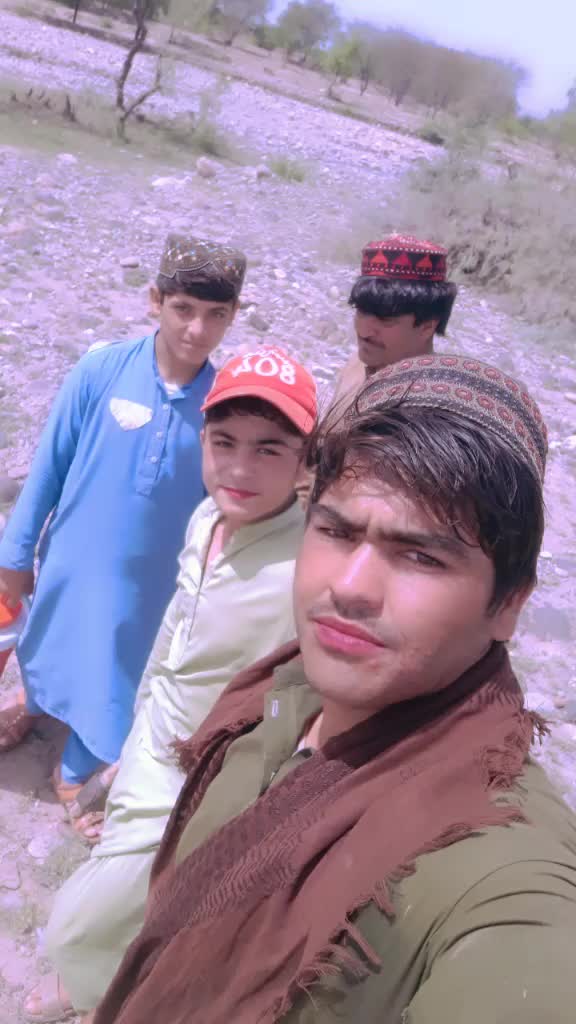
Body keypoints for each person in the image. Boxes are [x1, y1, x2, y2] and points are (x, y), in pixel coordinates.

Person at [92, 354, 576, 1024]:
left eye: (421, 555)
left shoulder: (500, 868)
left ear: (509, 603)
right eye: (337, 531)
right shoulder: (286, 687)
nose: (349, 587)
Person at [23, 347, 318, 1024]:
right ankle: (102, 987)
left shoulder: (306, 568)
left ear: (305, 461)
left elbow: (300, 700)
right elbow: (170, 641)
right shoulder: (206, 519)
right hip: (148, 742)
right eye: (225, 442)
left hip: (203, 781)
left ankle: (98, 993)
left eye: (269, 449)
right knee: (135, 902)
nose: (240, 468)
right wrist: (128, 746)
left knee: (77, 924)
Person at [0, 235, 246, 799]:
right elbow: (49, 466)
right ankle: (37, 702)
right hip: (72, 559)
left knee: (120, 666)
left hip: (151, 583)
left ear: (234, 315)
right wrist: (15, 553)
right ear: (155, 300)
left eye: (216, 315)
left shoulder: (224, 403)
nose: (197, 329)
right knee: (55, 636)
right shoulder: (101, 370)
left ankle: (83, 753)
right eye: (183, 309)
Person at [332, 233, 458, 404]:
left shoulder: (431, 406)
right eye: (361, 310)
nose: (363, 332)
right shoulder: (356, 367)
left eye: (385, 319)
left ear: (427, 327)